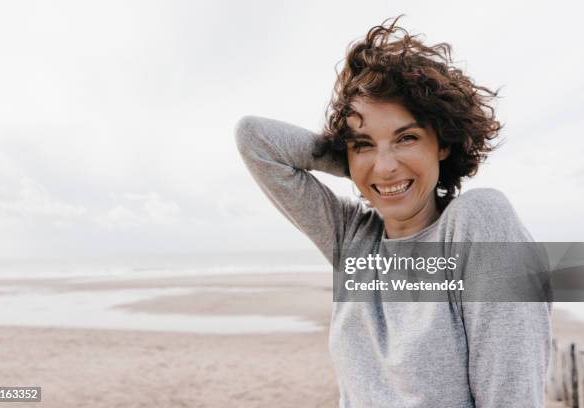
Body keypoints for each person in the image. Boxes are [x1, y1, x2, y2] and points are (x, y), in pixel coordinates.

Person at [234, 16, 551, 408]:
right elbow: (255, 140)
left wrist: (369, 157)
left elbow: (512, 395)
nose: (386, 166)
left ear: (444, 143)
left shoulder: (478, 221)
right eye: (363, 143)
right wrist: (356, 162)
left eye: (407, 138)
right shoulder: (352, 239)